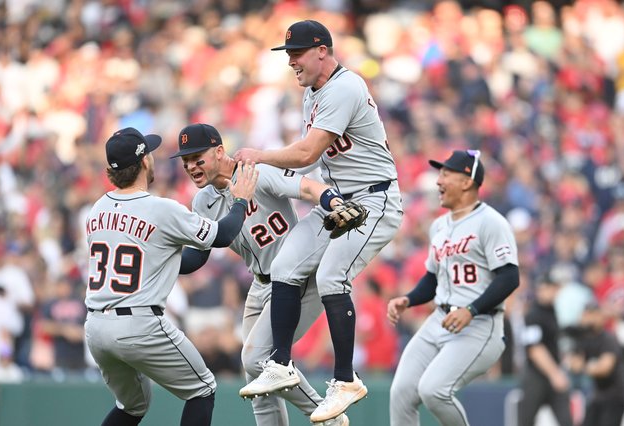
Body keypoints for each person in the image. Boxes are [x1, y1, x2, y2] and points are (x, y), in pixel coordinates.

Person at [234, 19, 403, 422]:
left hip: (374, 199)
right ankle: (280, 363)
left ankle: (346, 379)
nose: (291, 61)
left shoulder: (344, 86)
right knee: (285, 265)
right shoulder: (313, 92)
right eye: (288, 54)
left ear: (322, 51)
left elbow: (307, 153)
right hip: (338, 202)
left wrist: (260, 155)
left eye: (297, 53)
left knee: (330, 277)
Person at [172, 122, 349, 426]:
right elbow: (199, 255)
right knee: (255, 376)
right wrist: (163, 260)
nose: (191, 166)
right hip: (260, 283)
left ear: (219, 151)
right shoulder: (202, 201)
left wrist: (332, 201)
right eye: (186, 160)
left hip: (298, 279)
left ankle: (328, 417)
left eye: (197, 157)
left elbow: (306, 187)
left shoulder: (254, 170)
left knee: (258, 360)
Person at [84, 127, 258, 426]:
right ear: (144, 163)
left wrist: (200, 244)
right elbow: (223, 235)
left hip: (96, 327)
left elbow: (180, 262)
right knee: (202, 389)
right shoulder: (160, 208)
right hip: (139, 324)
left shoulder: (96, 210)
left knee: (132, 406)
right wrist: (240, 201)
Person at [386, 150, 519, 426]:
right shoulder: (438, 226)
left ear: (467, 181)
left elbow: (510, 277)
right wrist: (408, 300)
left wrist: (471, 310)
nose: (439, 181)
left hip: (480, 324)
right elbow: (433, 279)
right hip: (440, 320)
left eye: (446, 173)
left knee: (433, 391)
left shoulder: (491, 222)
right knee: (401, 392)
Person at [518, 275, 573, 426]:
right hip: (537, 376)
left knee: (566, 420)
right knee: (525, 421)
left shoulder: (552, 311)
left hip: (554, 373)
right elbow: (534, 349)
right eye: (545, 288)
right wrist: (555, 374)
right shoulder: (534, 314)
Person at [565, 301, 624, 426]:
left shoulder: (608, 339)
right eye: (587, 314)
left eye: (594, 315)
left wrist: (584, 366)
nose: (590, 318)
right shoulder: (582, 339)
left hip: (615, 395)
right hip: (597, 395)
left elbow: (605, 368)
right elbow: (572, 364)